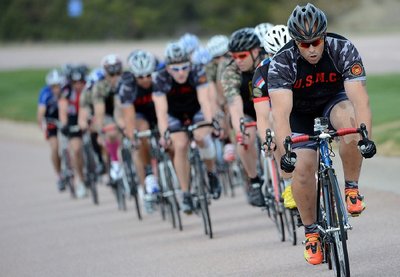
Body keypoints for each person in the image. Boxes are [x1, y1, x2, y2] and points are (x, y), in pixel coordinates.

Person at [267, 3, 376, 265]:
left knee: (349, 123)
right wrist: (286, 153)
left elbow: (360, 101)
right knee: (303, 169)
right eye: (304, 45)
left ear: (324, 36)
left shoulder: (343, 49)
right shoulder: (281, 62)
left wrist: (365, 138)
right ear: (295, 43)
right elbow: (280, 115)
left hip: (333, 102)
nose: (312, 49)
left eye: (316, 41)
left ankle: (351, 189)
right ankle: (312, 232)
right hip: (299, 113)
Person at [152, 41, 221, 214]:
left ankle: (212, 174)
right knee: (180, 145)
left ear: (189, 64)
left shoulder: (197, 71)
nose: (181, 72)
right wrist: (164, 133)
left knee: (201, 137)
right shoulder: (160, 78)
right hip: (174, 115)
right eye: (175, 69)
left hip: (196, 110)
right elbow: (161, 111)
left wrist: (210, 121)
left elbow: (205, 101)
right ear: (167, 68)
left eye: (184, 67)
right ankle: (185, 193)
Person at [251, 24, 296, 209]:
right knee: (273, 124)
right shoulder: (261, 74)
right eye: (274, 56)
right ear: (266, 54)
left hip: (302, 108)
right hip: (276, 111)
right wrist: (267, 139)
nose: (281, 61)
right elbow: (262, 116)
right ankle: (288, 183)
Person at [221, 28, 264, 207]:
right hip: (247, 111)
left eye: (242, 56)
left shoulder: (267, 63)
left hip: (267, 107)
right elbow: (233, 103)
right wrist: (240, 131)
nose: (237, 61)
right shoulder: (230, 71)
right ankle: (254, 181)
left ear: (255, 52)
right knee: (244, 139)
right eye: (234, 56)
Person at [119, 49, 160, 212]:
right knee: (141, 131)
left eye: (148, 75)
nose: (145, 80)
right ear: (134, 76)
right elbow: (129, 118)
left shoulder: (160, 80)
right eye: (140, 77)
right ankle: (148, 174)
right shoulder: (127, 86)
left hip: (158, 111)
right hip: (140, 114)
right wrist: (132, 137)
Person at [91, 54, 124, 188]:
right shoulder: (99, 87)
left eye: (117, 72)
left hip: (124, 110)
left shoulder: (126, 81)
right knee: (111, 132)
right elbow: (99, 112)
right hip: (107, 113)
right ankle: (115, 163)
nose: (115, 76)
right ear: (105, 73)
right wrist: (100, 131)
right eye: (111, 73)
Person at [58, 65, 88, 198]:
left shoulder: (89, 88)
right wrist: (64, 124)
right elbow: (63, 109)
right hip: (72, 118)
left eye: (81, 81)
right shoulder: (66, 91)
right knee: (75, 149)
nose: (78, 85)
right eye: (75, 82)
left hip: (87, 114)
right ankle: (80, 180)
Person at [37, 69, 65, 191]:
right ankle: (59, 175)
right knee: (54, 147)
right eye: (53, 86)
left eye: (58, 85)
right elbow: (41, 112)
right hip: (51, 119)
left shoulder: (66, 91)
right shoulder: (45, 93)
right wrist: (42, 124)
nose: (56, 89)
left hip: (65, 118)